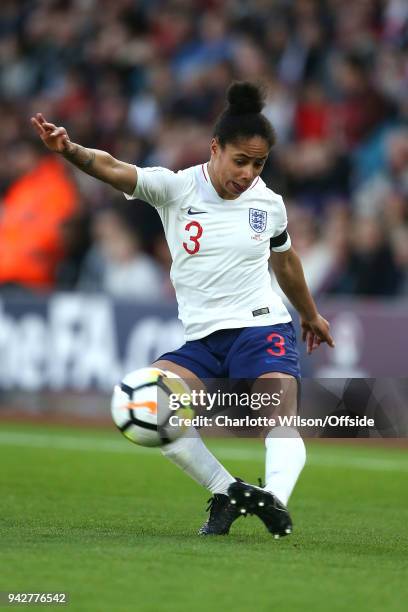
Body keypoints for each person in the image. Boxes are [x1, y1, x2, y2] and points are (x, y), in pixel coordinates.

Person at [31, 81, 334, 538]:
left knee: (279, 419)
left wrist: (308, 313)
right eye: (240, 160)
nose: (249, 172)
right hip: (203, 339)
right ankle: (228, 490)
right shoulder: (175, 189)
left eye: (259, 163)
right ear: (215, 148)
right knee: (145, 407)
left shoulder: (269, 204)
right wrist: (70, 149)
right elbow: (114, 168)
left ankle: (275, 501)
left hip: (261, 326)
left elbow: (285, 260)